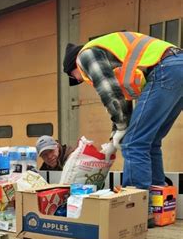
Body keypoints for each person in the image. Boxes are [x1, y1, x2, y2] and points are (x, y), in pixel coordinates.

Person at [62, 31, 182, 192]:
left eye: (73, 76)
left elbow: (109, 92)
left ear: (73, 66)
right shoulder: (109, 55)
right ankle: (157, 204)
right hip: (175, 66)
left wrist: (122, 128)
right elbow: (121, 98)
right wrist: (115, 134)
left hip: (165, 68)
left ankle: (133, 207)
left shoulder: (85, 56)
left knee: (133, 143)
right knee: (150, 141)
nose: (78, 80)